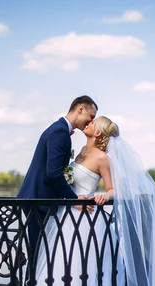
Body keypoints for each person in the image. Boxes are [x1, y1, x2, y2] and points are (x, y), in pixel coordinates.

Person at [16, 116, 155, 286]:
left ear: (98, 134)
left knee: (82, 273)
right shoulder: (80, 151)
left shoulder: (103, 158)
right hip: (65, 216)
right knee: (56, 268)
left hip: (86, 220)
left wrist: (104, 196)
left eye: (93, 123)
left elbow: (113, 189)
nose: (88, 124)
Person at [16, 95, 98, 274]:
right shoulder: (60, 132)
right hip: (38, 199)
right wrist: (74, 199)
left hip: (38, 198)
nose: (91, 121)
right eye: (91, 116)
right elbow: (53, 173)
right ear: (80, 109)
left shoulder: (59, 129)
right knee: (38, 254)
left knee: (41, 253)